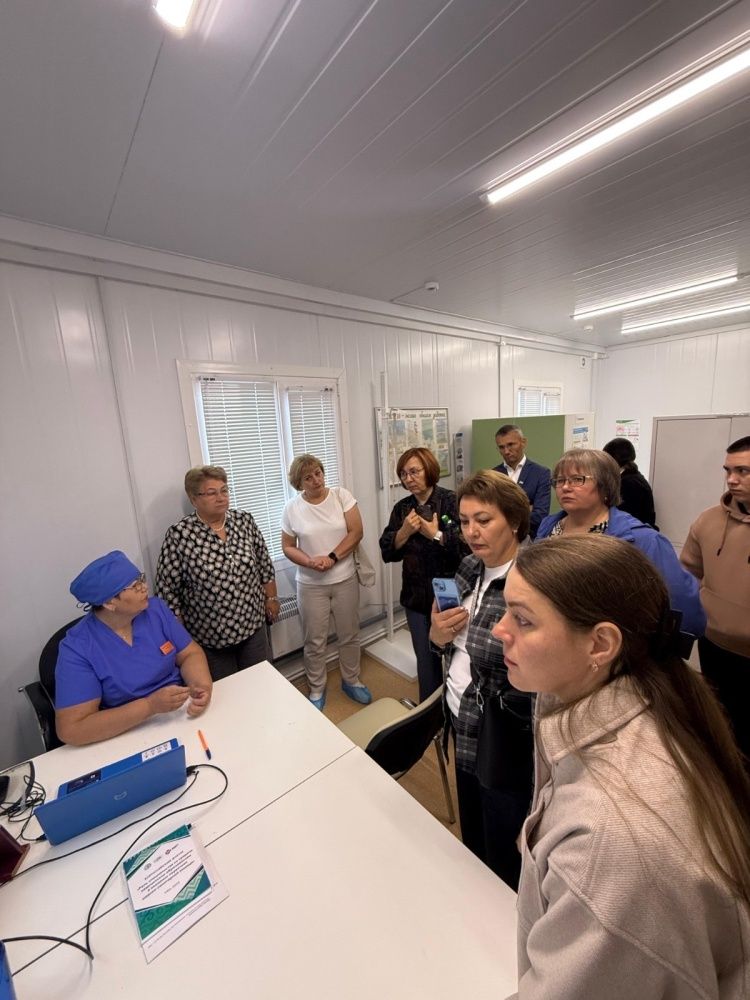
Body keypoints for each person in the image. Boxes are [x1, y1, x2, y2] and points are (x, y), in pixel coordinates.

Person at [493, 535, 750, 1000]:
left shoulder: (608, 846)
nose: (499, 630)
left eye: (522, 619)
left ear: (601, 644)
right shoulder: (644, 697)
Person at [429, 470, 533, 890]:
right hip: (461, 719)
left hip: (504, 735)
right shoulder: (470, 566)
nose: (471, 532)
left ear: (514, 521)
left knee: (503, 846)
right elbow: (444, 642)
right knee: (473, 832)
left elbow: (536, 671)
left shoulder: (534, 578)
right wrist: (437, 635)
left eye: (484, 520)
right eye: (464, 521)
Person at [536, 449, 705, 637]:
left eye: (577, 479)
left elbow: (682, 607)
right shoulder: (548, 527)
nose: (565, 487)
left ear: (605, 485)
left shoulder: (643, 539)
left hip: (614, 641)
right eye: (560, 480)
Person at [56, 550, 212, 746]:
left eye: (141, 579)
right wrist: (149, 706)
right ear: (109, 602)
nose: (144, 587)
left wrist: (201, 687)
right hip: (127, 732)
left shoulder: (156, 610)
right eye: (135, 586)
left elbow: (190, 654)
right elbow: (72, 729)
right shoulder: (77, 648)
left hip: (181, 713)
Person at [156, 466, 280, 682]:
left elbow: (264, 563)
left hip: (253, 624)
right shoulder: (180, 535)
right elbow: (168, 591)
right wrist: (181, 639)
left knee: (262, 683)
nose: (221, 497)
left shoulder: (244, 521)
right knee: (226, 692)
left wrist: (271, 598)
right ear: (194, 498)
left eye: (224, 490)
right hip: (210, 636)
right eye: (212, 493)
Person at [281, 454, 371, 711]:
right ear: (299, 483)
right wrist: (310, 562)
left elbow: (356, 531)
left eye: (318, 473)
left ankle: (351, 680)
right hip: (310, 584)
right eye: (308, 477)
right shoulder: (292, 508)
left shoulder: (341, 496)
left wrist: (332, 558)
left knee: (349, 634)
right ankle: (317, 688)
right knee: (314, 641)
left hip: (344, 578)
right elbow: (288, 546)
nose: (316, 480)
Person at [681, 435, 750, 762]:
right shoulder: (708, 521)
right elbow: (689, 574)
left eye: (743, 471)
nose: (732, 479)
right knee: (722, 731)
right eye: (728, 470)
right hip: (715, 647)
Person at [379, 447, 467, 701]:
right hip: (415, 595)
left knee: (458, 656)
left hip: (449, 592)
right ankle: (430, 712)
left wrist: (435, 534)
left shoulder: (452, 501)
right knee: (426, 661)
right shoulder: (402, 509)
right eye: (403, 474)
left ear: (429, 470)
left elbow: (467, 547)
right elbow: (387, 551)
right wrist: (404, 531)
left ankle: (457, 707)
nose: (408, 478)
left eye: (414, 471)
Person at [493, 424, 550, 539]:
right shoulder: (493, 475)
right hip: (500, 540)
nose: (506, 451)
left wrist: (505, 515)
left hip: (531, 540)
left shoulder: (541, 473)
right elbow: (491, 512)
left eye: (511, 445)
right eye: (501, 447)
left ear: (523, 442)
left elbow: (540, 515)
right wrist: (526, 509)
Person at [603, 436, 657, 526]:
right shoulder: (633, 477)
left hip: (633, 530)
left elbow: (622, 516)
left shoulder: (629, 483)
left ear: (613, 459)